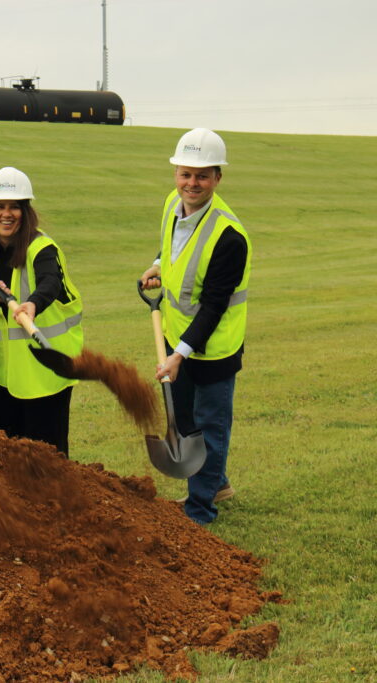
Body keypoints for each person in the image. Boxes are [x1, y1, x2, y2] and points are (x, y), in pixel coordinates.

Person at [139, 128, 251, 525]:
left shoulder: (229, 237)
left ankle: (199, 509)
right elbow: (172, 245)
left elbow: (214, 307)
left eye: (202, 176)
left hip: (215, 349)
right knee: (184, 419)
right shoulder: (173, 203)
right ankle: (216, 481)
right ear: (176, 174)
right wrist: (157, 264)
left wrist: (179, 356)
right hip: (175, 333)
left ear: (218, 178)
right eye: (186, 174)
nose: (192, 183)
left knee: (210, 428)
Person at [0, 167, 84, 455]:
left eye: (14, 207)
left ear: (26, 212)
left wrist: (33, 304)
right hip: (5, 372)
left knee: (47, 455)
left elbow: (50, 282)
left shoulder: (42, 248)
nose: (7, 214)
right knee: (9, 453)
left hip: (46, 366)